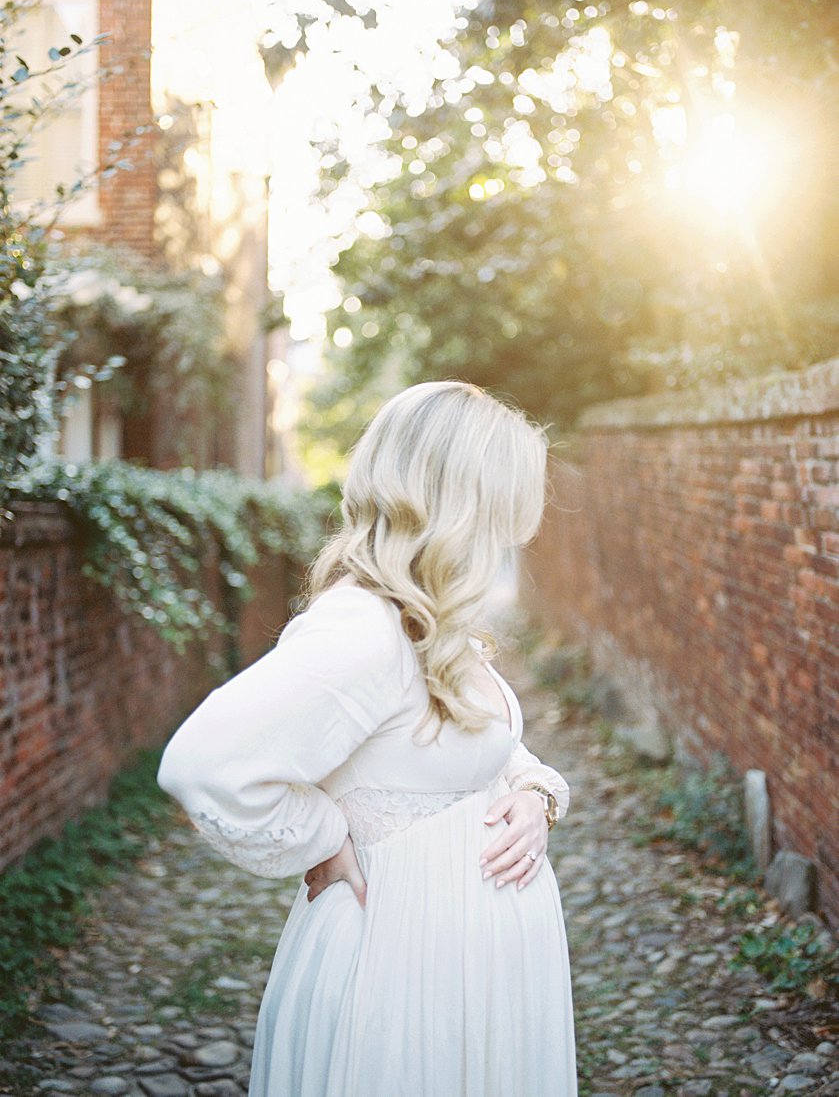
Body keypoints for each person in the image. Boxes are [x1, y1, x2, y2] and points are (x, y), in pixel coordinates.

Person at [156, 380, 577, 1096]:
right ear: (462, 497)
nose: (519, 525)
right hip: (400, 970)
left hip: (476, 971)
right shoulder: (361, 629)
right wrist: (322, 835)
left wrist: (536, 792)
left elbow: (474, 751)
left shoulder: (428, 617)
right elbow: (203, 764)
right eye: (508, 496)